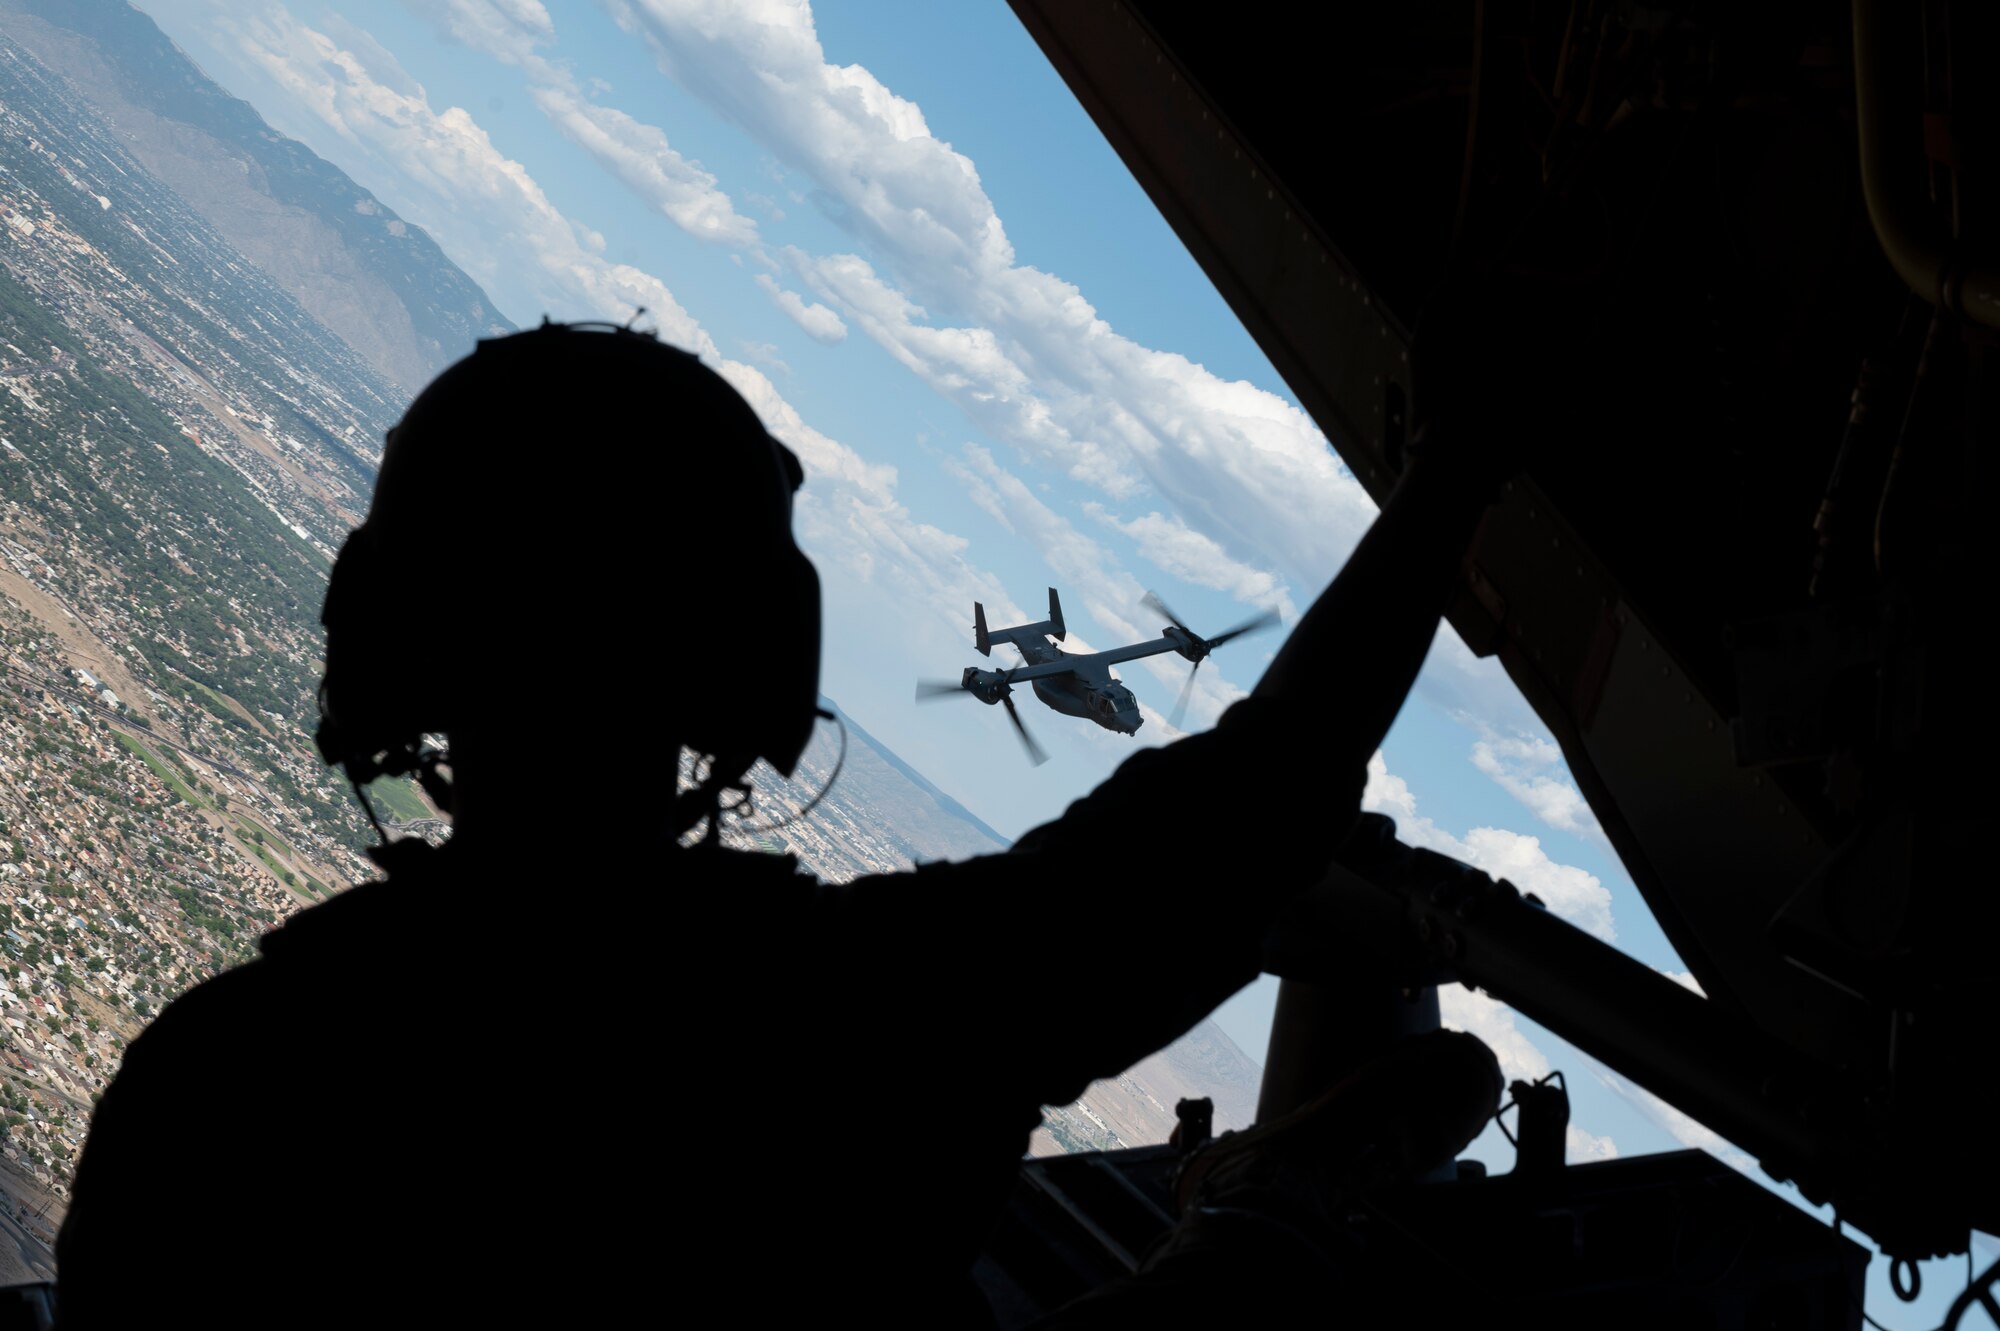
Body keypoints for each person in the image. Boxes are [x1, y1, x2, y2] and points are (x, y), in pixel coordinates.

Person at [54, 321, 1507, 1327]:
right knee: (1230, 1289)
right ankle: (1276, 1210)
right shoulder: (892, 1008)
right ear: (758, 656)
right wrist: (1455, 470)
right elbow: (1260, 794)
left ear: (384, 632)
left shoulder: (212, 1088)